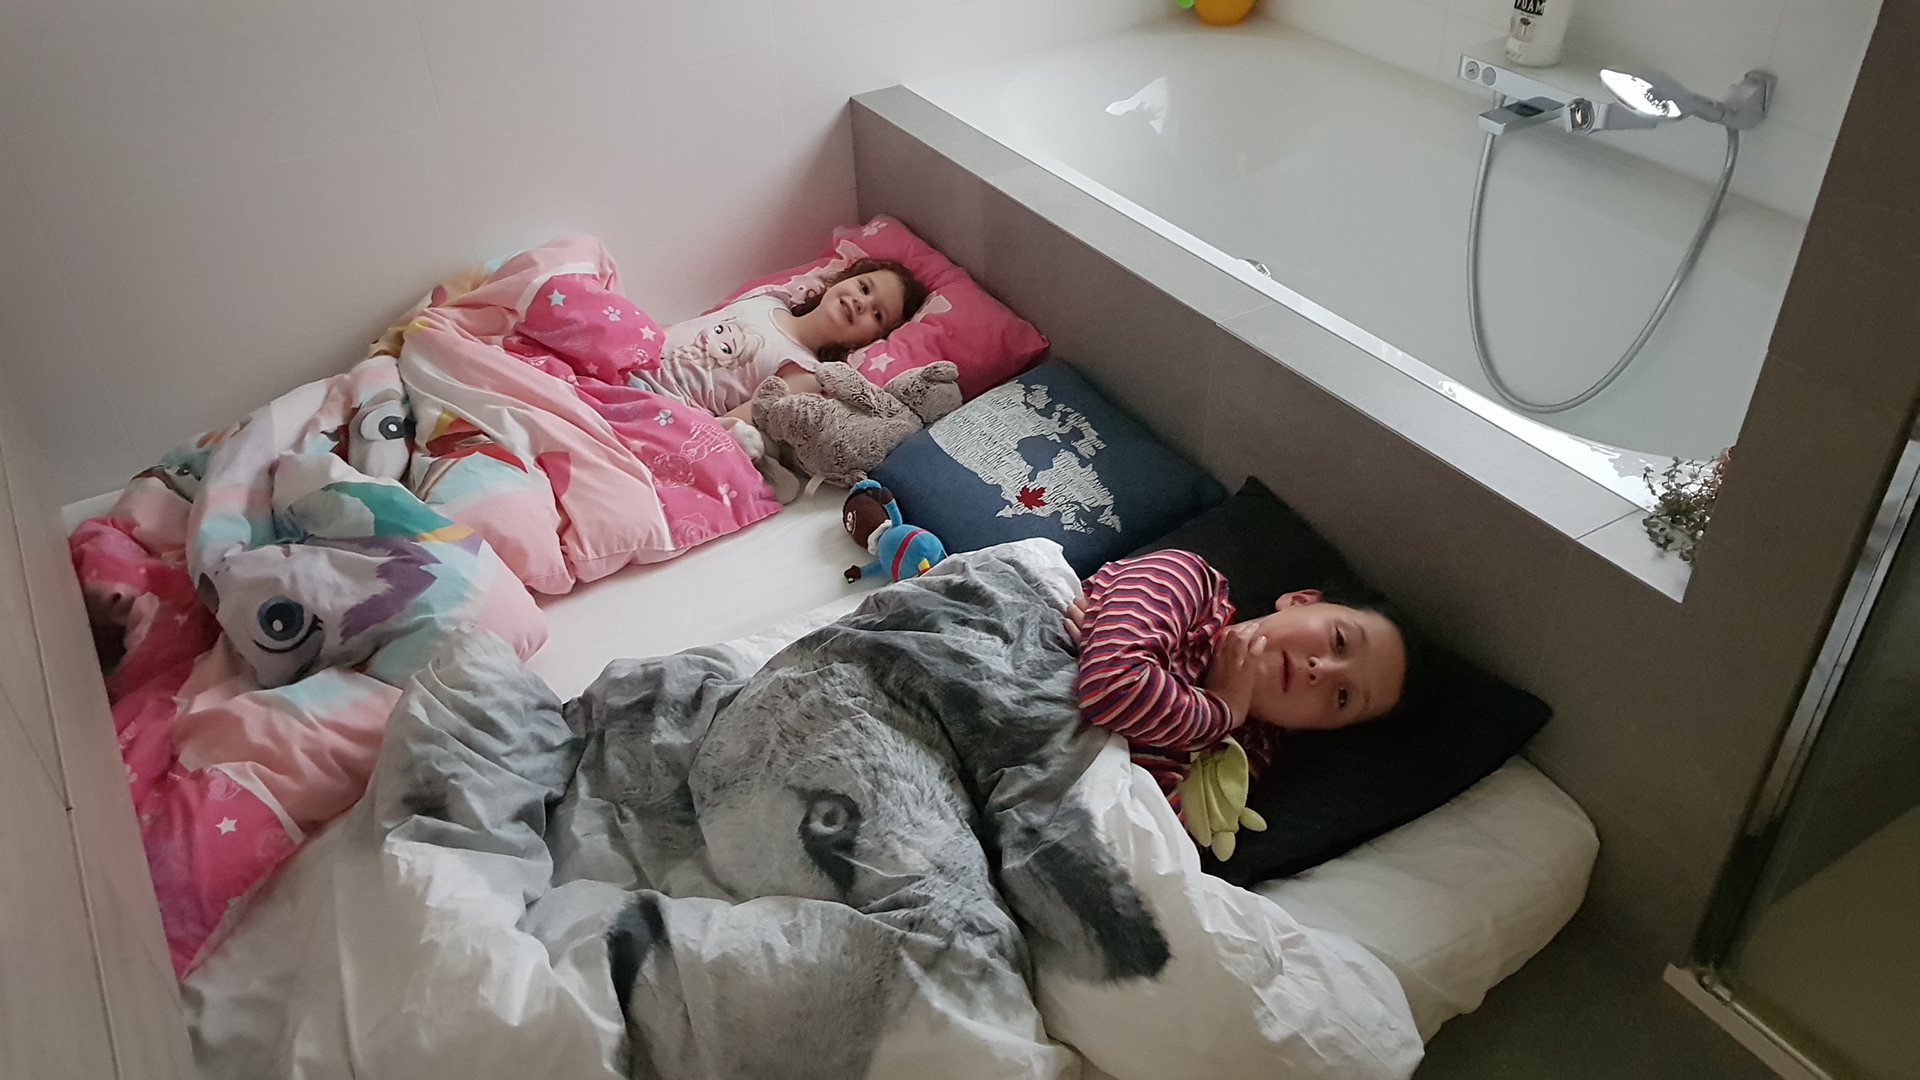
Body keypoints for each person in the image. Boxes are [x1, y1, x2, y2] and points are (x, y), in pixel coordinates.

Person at [1065, 548, 1412, 822]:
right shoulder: (1188, 583)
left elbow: (1148, 837)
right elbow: (1113, 690)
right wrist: (1223, 708)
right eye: (1339, 641)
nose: (1321, 670)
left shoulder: (1244, 754)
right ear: (1299, 601)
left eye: (1343, 697)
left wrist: (1111, 672)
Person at [637, 258, 929, 419]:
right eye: (864, 288)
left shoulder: (805, 373)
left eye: (877, 315)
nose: (861, 303)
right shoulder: (769, 300)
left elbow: (733, 424)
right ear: (843, 280)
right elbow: (688, 328)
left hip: (661, 405)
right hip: (635, 355)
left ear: (871, 340)